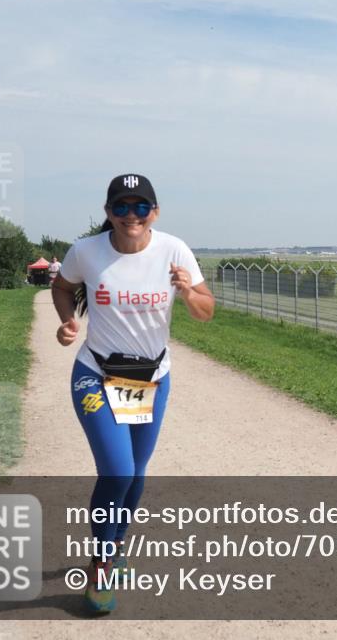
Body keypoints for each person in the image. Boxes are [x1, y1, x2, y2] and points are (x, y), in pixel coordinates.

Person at [50, 173, 214, 613]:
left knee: (137, 473)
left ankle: (115, 544)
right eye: (120, 207)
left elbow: (205, 310)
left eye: (140, 207)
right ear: (108, 213)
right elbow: (62, 286)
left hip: (149, 379)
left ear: (154, 213)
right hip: (96, 375)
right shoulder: (86, 252)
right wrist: (68, 322)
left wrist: (187, 291)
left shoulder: (174, 250)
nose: (130, 215)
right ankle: (101, 565)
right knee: (118, 471)